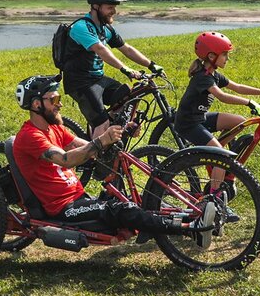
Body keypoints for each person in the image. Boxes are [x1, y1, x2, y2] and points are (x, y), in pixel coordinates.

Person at [12, 74, 216, 248]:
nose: (60, 104)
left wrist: (121, 132)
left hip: (80, 198)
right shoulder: (30, 136)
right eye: (54, 100)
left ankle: (192, 218)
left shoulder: (55, 128)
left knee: (125, 204)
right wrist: (102, 140)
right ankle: (190, 229)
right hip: (63, 208)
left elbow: (87, 147)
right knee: (122, 210)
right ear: (36, 104)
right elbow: (65, 159)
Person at [174, 31, 260, 202]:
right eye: (224, 55)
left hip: (200, 118)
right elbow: (223, 97)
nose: (227, 59)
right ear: (211, 55)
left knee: (241, 122)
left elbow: (237, 87)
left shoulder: (214, 74)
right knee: (222, 156)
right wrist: (250, 103)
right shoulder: (203, 77)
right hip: (188, 124)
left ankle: (216, 151)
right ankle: (214, 196)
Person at [62, 0, 164, 138]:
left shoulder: (105, 28)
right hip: (80, 82)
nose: (114, 11)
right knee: (101, 122)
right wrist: (125, 69)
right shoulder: (81, 27)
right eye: (110, 7)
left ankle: (112, 135)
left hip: (97, 79)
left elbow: (126, 48)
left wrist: (151, 64)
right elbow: (101, 50)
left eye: (114, 7)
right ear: (96, 7)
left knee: (129, 96)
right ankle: (94, 158)